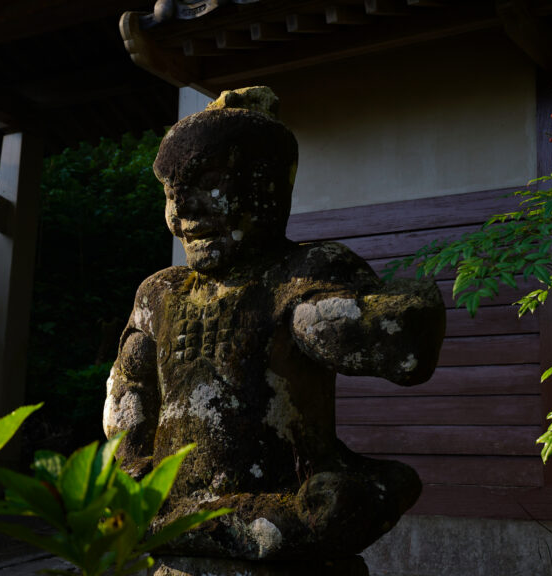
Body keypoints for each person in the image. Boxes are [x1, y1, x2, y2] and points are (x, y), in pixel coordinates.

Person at [103, 87, 445, 560]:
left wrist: (345, 323)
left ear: (266, 185)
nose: (183, 210)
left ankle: (212, 526)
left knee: (341, 507)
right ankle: (193, 524)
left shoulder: (304, 271)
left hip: (285, 499)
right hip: (179, 509)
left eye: (208, 183)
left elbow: (399, 346)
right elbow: (129, 384)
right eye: (170, 191)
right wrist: (130, 459)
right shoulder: (160, 292)